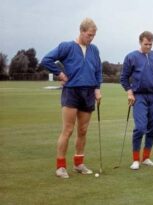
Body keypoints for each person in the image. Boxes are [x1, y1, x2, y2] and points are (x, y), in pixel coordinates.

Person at [41, 18, 102, 178]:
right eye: (89, 35)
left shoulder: (94, 50)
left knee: (82, 130)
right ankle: (61, 167)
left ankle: (78, 164)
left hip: (88, 92)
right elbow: (46, 60)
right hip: (71, 92)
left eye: (94, 35)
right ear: (81, 31)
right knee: (67, 130)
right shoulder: (66, 46)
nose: (91, 38)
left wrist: (97, 89)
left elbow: (98, 71)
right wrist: (59, 73)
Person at [120, 31, 153, 170]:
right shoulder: (131, 57)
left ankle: (146, 158)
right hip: (139, 96)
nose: (148, 47)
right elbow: (124, 78)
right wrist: (129, 92)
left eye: (150, 44)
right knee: (140, 127)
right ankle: (136, 160)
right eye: (146, 44)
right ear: (140, 42)